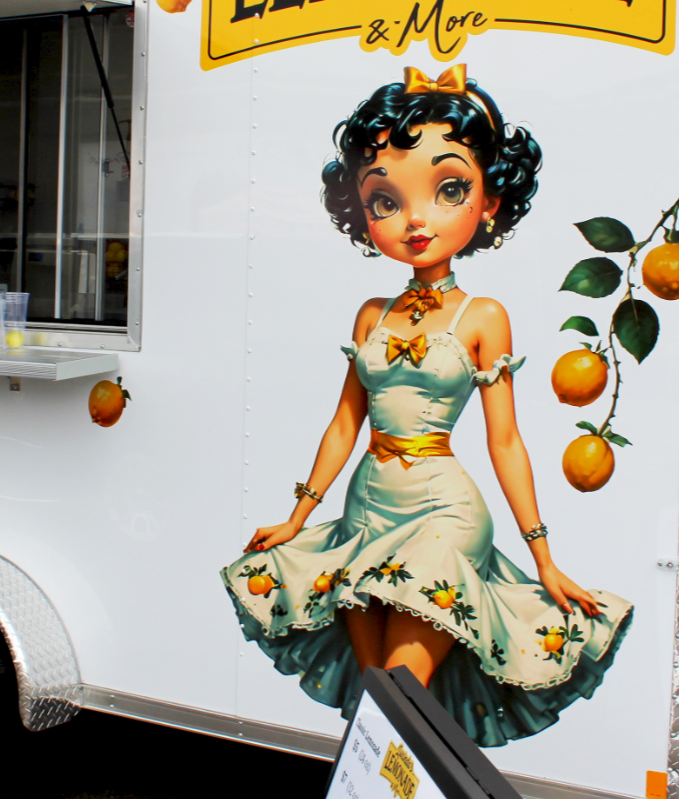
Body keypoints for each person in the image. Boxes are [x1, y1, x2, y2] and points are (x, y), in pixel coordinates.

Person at [220, 65, 632, 747]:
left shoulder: (483, 317)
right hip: (364, 510)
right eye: (386, 199)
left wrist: (544, 558)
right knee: (377, 701)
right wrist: (299, 516)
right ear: (362, 207)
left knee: (400, 697)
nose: (416, 219)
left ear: (489, 202)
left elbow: (505, 442)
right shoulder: (370, 315)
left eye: (449, 190)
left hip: (445, 515)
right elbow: (346, 423)